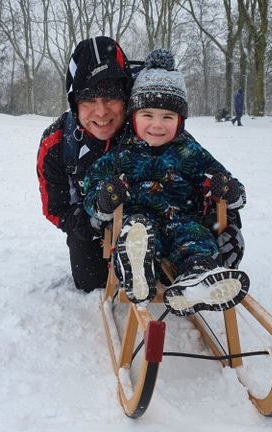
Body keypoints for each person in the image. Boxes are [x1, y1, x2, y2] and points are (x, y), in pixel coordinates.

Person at [82, 49, 249, 316]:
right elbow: (91, 188)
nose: (157, 125)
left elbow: (227, 182)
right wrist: (104, 198)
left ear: (180, 120)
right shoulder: (122, 153)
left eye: (168, 117)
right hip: (140, 222)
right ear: (134, 116)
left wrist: (229, 191)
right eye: (148, 115)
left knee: (198, 240)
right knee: (138, 233)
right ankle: (137, 270)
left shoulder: (189, 151)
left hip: (184, 220)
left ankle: (197, 280)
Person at [36, 36, 132, 293]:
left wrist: (222, 219)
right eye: (89, 99)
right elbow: (55, 207)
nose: (101, 112)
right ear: (75, 102)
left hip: (153, 220)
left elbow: (190, 166)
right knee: (91, 282)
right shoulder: (56, 144)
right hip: (91, 228)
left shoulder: (148, 125)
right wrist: (91, 223)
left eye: (111, 97)